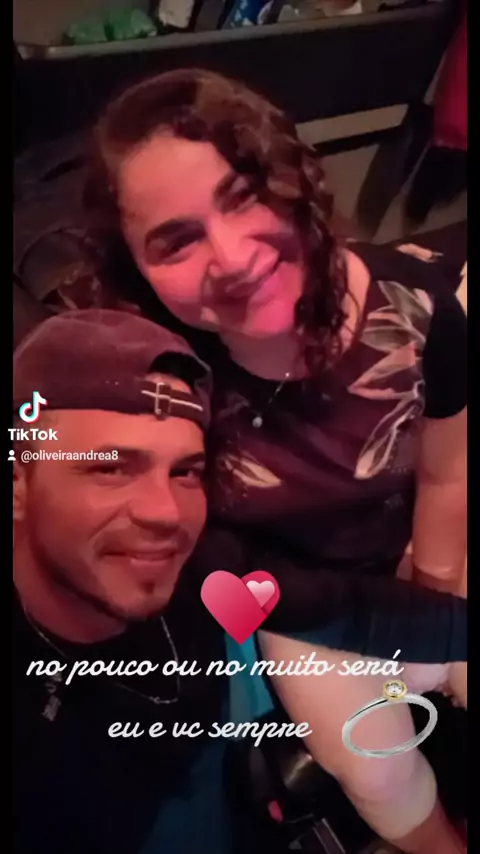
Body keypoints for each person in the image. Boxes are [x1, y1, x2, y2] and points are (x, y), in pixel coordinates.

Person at [80, 69, 468, 854]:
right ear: (136, 272)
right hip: (297, 604)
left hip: (424, 556)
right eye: (176, 241)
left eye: (243, 195)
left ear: (292, 180)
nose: (231, 258)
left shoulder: (416, 306)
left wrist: (433, 595)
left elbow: (447, 470)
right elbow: (225, 585)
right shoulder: (163, 393)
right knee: (375, 768)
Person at [13, 310, 465, 854]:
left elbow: (342, 609)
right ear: (17, 484)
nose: (165, 513)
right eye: (110, 468)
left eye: (185, 471)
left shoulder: (203, 570)